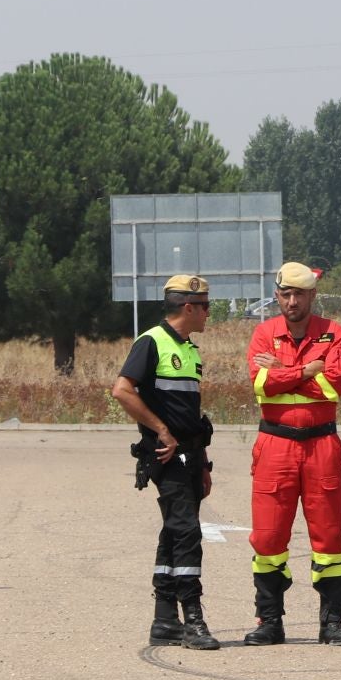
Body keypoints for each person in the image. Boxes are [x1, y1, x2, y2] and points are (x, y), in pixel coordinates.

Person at [244, 262, 341, 646]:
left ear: (312, 296)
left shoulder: (333, 333)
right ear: (277, 296)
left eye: (300, 294)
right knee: (268, 537)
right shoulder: (263, 333)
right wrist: (307, 370)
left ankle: (333, 622)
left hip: (321, 445)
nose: (292, 301)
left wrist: (284, 372)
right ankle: (269, 621)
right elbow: (261, 386)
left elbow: (334, 387)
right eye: (286, 294)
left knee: (329, 537)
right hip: (275, 445)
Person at [111, 274, 218, 651]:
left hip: (190, 455)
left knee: (174, 532)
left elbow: (191, 413)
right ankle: (192, 620)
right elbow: (122, 390)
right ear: (188, 307)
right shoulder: (151, 342)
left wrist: (203, 462)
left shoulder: (190, 349)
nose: (209, 313)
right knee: (187, 532)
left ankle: (164, 620)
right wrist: (161, 430)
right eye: (205, 306)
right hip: (165, 454)